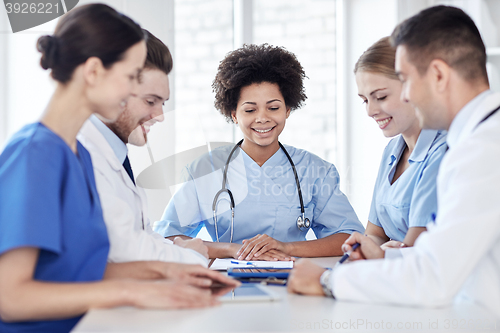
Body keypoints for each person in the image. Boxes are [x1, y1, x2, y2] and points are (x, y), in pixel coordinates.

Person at [0, 4, 238, 333]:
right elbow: (10, 298)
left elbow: (83, 270)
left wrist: (168, 273)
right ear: (94, 72)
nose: (131, 92)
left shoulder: (76, 155)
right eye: (129, 77)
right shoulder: (36, 153)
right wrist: (133, 290)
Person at [288, 5, 500, 317]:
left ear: (439, 75)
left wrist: (328, 280)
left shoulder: (484, 149)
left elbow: (432, 279)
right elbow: (441, 257)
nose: (408, 96)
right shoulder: (475, 141)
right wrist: (386, 259)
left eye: (405, 80)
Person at [154, 44, 365, 260]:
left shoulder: (316, 170)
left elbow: (350, 237)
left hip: (296, 281)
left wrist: (286, 248)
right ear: (234, 114)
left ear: (288, 110)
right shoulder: (203, 170)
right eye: (250, 110)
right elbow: (167, 237)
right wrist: (232, 249)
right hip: (225, 284)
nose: (262, 118)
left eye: (273, 108)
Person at [78, 29, 208, 266]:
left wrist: (179, 247)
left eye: (162, 103)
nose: (160, 117)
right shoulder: (83, 153)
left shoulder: (117, 154)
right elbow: (123, 250)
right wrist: (191, 256)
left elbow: (141, 236)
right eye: (150, 101)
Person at [354, 37, 447, 248]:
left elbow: (417, 249)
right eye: (365, 100)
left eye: (381, 96)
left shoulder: (443, 151)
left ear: (412, 87)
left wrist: (384, 254)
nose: (370, 111)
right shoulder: (392, 151)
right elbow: (375, 233)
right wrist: (362, 249)